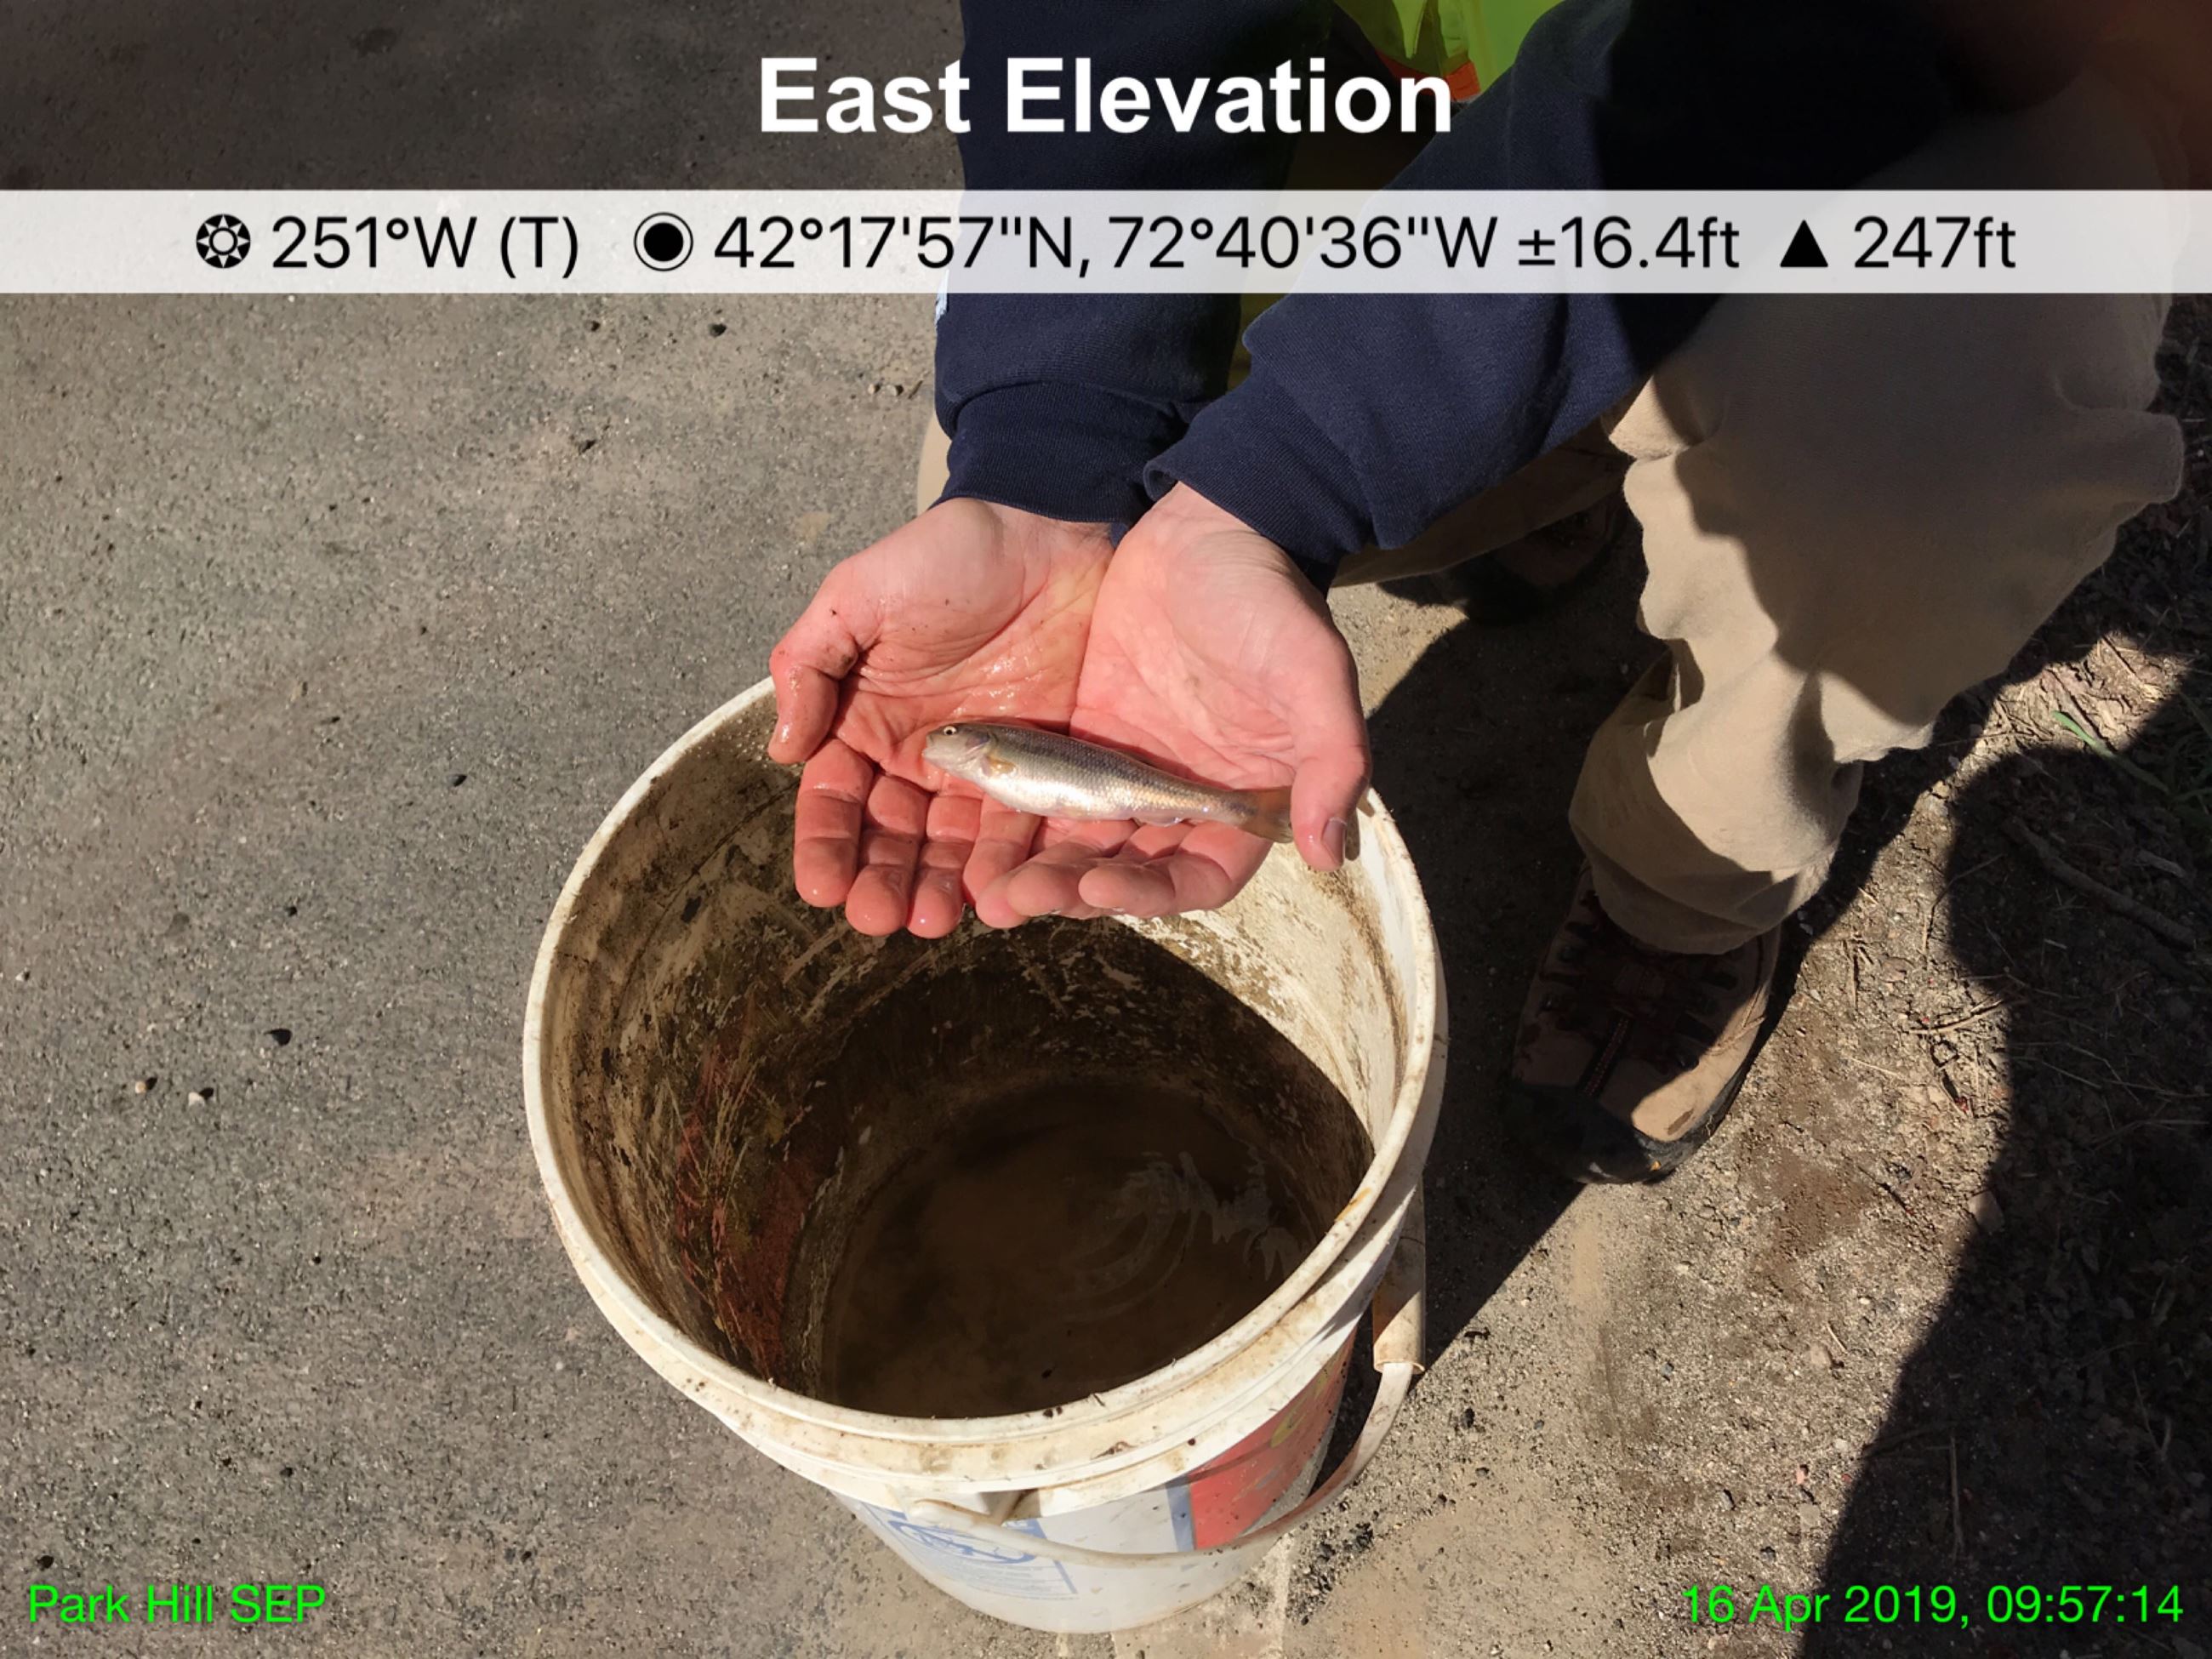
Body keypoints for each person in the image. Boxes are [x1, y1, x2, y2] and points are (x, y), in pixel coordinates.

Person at [769, 0, 2204, 1181]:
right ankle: (1521, 482)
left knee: (1937, 443)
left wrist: (1307, 461)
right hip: (1403, 73)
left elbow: (1810, 44)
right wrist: (1055, 440)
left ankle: (1685, 887)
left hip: (1930, 90)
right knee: (1016, 483)